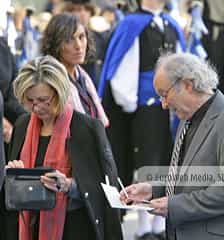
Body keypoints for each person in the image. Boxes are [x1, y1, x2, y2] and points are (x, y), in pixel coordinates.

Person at [120, 53, 224, 240]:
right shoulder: (187, 120)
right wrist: (152, 189)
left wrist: (173, 206)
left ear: (188, 84)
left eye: (164, 94)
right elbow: (195, 177)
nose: (163, 105)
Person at [3, 55, 123, 240]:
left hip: (76, 228)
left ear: (59, 93)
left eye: (44, 100)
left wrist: (69, 185)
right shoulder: (22, 126)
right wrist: (16, 177)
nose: (37, 107)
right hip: (31, 227)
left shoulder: (87, 129)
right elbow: (13, 195)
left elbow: (107, 189)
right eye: (30, 100)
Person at [98, 0, 186, 238]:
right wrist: (130, 103)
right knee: (148, 161)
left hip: (169, 106)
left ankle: (161, 224)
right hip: (144, 107)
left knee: (167, 160)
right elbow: (124, 69)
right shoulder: (131, 24)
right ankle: (146, 226)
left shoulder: (170, 23)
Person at [41, 13, 109, 127]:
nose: (78, 46)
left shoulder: (83, 77)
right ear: (55, 44)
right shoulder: (50, 83)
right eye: (68, 40)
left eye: (81, 37)